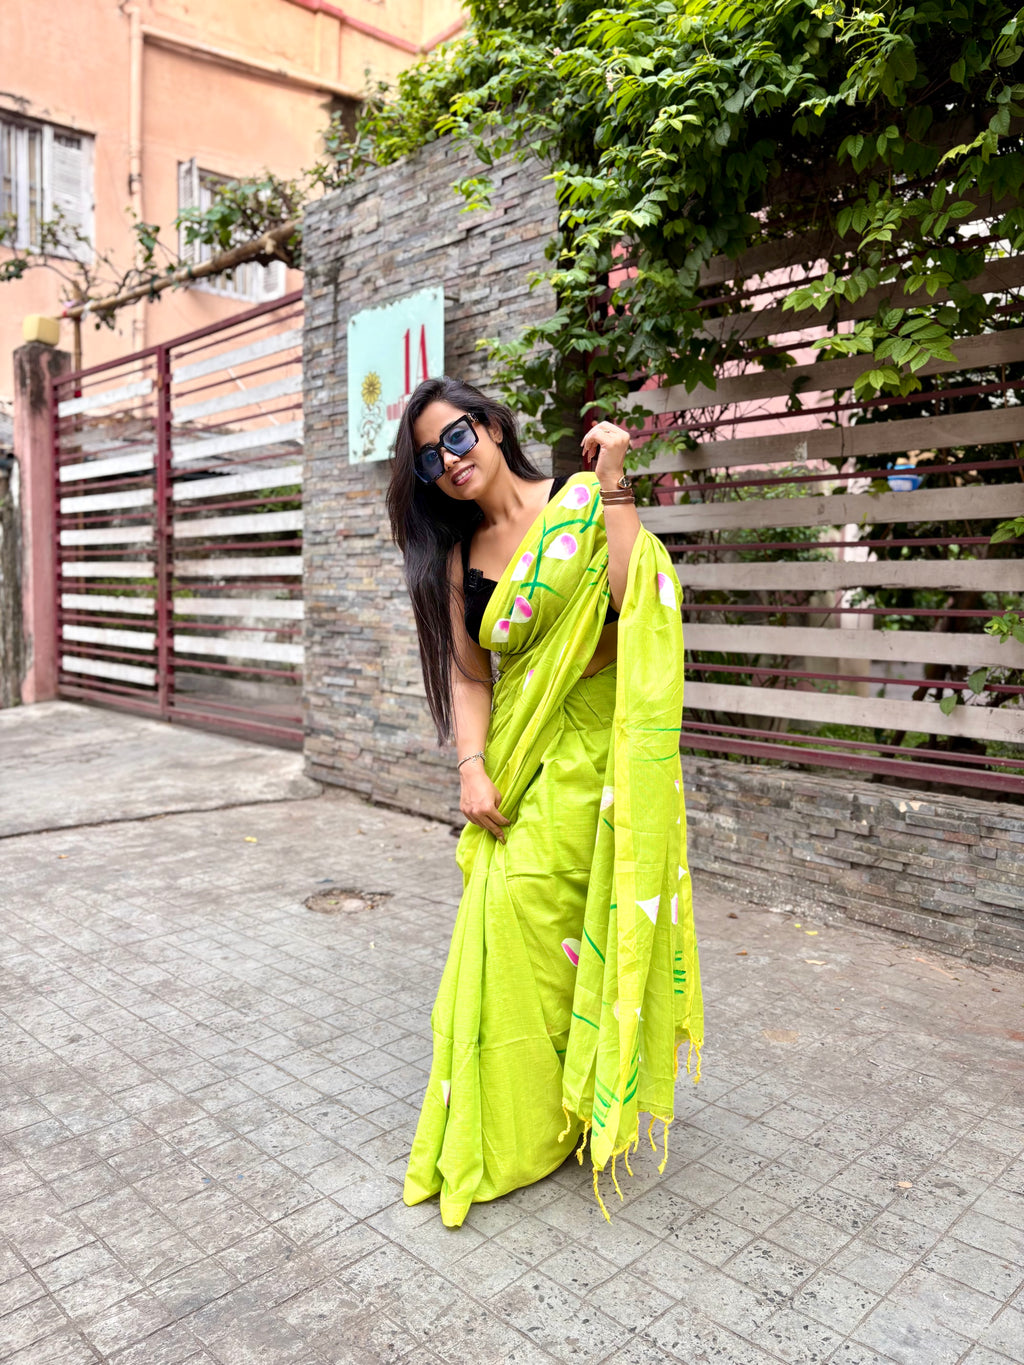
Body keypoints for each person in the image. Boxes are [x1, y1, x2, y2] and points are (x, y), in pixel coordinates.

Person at [386, 376, 703, 1228]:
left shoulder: (575, 503)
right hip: (523, 765)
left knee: (588, 923)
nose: (449, 462)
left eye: (456, 438)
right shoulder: (458, 559)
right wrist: (470, 766)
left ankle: (579, 1101)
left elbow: (636, 598)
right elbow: (468, 672)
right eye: (428, 458)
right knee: (509, 915)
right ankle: (515, 1126)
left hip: (601, 758)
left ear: (490, 426)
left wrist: (615, 485)